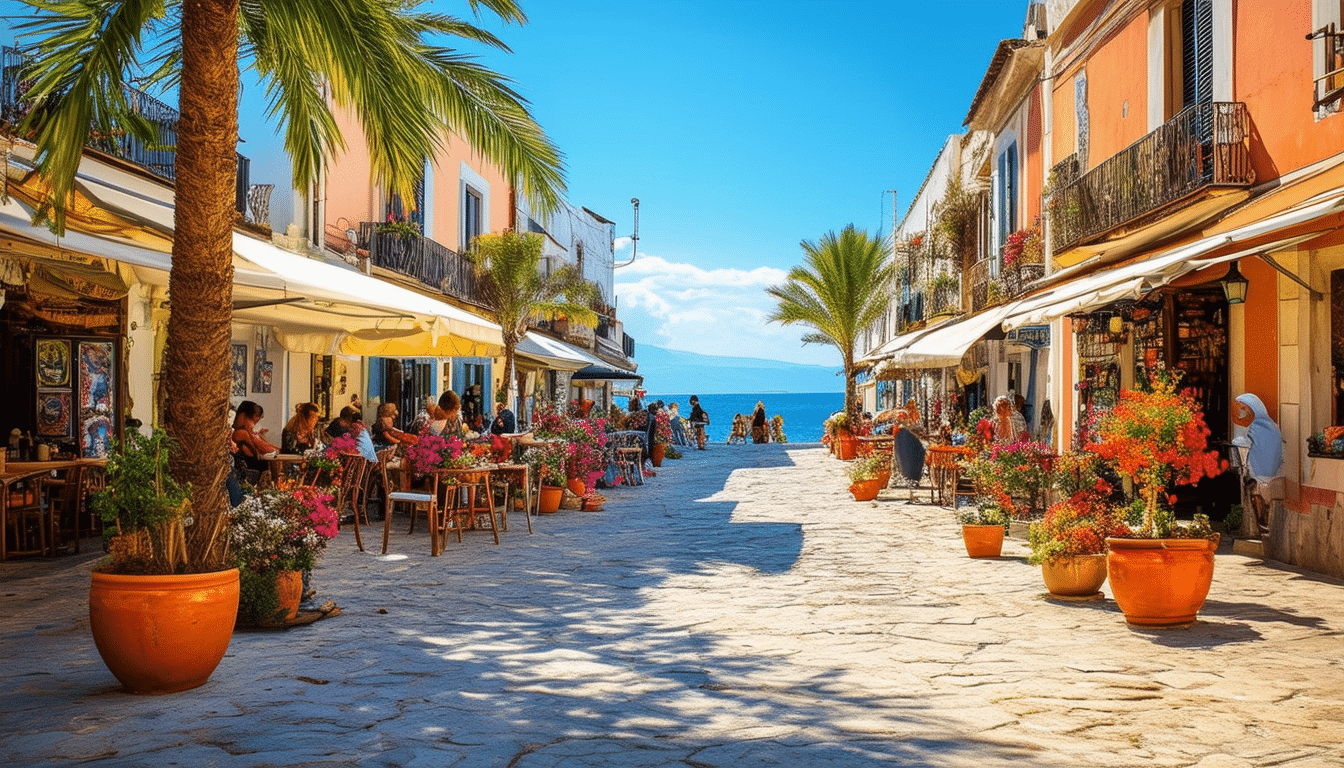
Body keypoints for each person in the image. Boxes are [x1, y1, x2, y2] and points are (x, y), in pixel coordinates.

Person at [1232, 393, 1284, 536]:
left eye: (1244, 408)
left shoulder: (1258, 425)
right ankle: (1262, 522)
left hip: (1262, 468)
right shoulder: (1267, 424)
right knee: (1257, 493)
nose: (1243, 411)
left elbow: (1251, 443)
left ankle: (1263, 522)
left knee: (1258, 493)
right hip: (1263, 467)